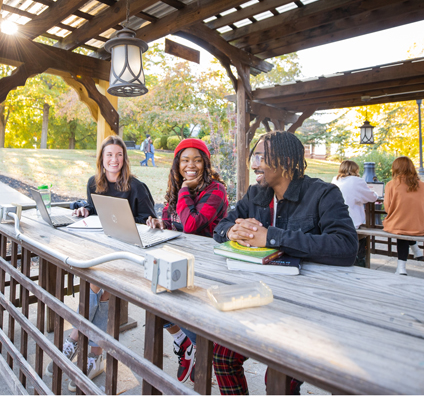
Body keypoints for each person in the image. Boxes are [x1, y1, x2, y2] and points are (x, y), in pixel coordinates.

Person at [212, 131, 358, 395]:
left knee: (278, 380)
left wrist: (273, 237)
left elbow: (346, 246)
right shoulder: (256, 194)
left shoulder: (323, 194)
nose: (254, 164)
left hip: (304, 307)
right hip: (259, 296)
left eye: (260, 157)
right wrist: (231, 231)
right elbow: (222, 225)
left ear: (287, 161)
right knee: (223, 358)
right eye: (253, 157)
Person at [46, 135, 156, 391]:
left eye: (118, 155)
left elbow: (150, 223)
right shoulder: (93, 184)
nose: (114, 159)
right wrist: (85, 209)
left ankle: (73, 337)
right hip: (101, 251)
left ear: (124, 159)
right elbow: (98, 216)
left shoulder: (137, 187)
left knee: (98, 285)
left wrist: (142, 223)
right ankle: (95, 357)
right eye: (109, 155)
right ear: (102, 159)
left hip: (130, 255)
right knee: (102, 292)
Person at [147, 138, 228, 383]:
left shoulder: (215, 190)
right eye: (184, 160)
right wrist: (161, 223)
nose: (190, 165)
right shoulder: (176, 187)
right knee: (153, 296)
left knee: (185, 310)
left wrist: (184, 191)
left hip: (206, 266)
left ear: (205, 162)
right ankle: (185, 343)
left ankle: (201, 350)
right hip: (179, 258)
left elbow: (192, 226)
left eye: (196, 159)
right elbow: (173, 221)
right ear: (177, 163)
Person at [332, 160, 378, 266]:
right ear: (355, 169)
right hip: (352, 221)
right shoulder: (357, 181)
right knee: (363, 235)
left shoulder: (335, 179)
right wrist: (375, 193)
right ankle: (359, 260)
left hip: (336, 219)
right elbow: (371, 197)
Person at [383, 156, 424, 275]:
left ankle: (401, 268)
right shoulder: (422, 185)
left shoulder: (391, 184)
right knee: (406, 226)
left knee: (401, 227)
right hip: (419, 226)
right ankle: (416, 250)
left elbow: (387, 208)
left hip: (399, 225)